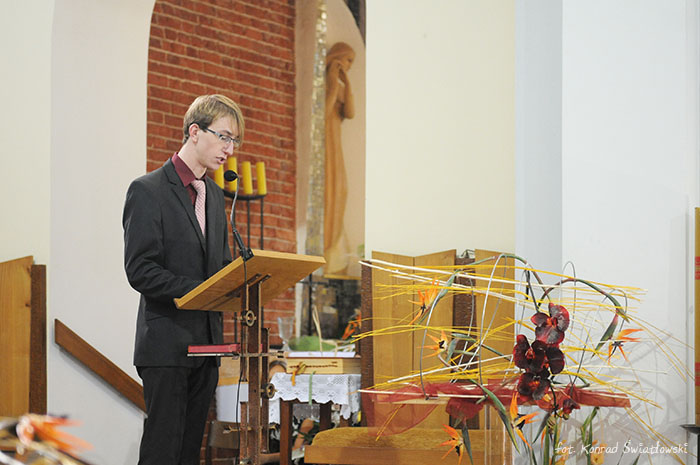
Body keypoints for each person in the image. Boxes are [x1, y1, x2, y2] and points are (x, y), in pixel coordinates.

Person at [123, 94, 244, 465]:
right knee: (163, 453)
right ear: (195, 132)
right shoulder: (148, 190)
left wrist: (240, 278)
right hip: (167, 346)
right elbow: (140, 269)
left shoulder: (214, 195)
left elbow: (219, 265)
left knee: (190, 454)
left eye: (234, 141)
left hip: (207, 347)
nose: (230, 149)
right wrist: (201, 291)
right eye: (224, 137)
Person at [324, 42, 355, 275]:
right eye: (348, 60)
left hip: (336, 148)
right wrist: (334, 82)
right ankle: (326, 249)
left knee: (341, 191)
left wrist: (346, 81)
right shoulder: (325, 84)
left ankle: (334, 251)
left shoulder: (342, 85)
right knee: (328, 191)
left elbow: (350, 112)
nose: (349, 65)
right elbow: (324, 112)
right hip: (325, 145)